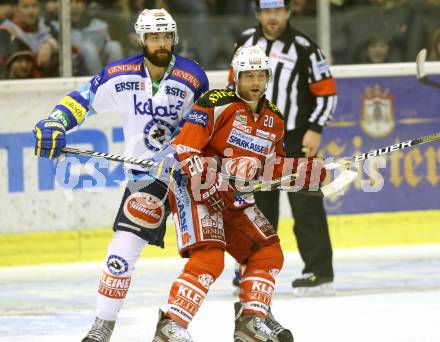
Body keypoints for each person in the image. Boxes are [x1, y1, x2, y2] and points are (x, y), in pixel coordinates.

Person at [33, 8, 209, 342]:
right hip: (147, 178)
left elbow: (207, 123)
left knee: (211, 251)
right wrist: (56, 121)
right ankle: (102, 326)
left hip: (189, 175)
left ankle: (181, 322)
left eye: (166, 36)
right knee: (122, 251)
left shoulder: (194, 76)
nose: (161, 43)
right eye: (154, 37)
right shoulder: (120, 73)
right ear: (141, 39)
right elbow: (82, 99)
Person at [152, 45, 325, 342]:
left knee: (268, 251)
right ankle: (171, 324)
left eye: (261, 75)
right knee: (210, 257)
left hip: (235, 196)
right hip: (194, 190)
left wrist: (308, 171)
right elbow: (185, 147)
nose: (255, 82)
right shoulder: (215, 103)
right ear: (236, 76)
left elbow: (272, 165)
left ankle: (250, 319)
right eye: (248, 75)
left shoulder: (275, 118)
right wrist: (206, 184)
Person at [230, 0, 338, 296]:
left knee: (307, 206)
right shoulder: (246, 43)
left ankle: (319, 270)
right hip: (258, 139)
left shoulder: (305, 47)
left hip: (296, 138)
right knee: (256, 209)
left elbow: (327, 93)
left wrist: (315, 129)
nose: (272, 16)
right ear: (258, 14)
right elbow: (232, 89)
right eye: (266, 11)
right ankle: (253, 267)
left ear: (288, 13)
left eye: (277, 10)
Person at [1, 0, 58, 76]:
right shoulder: (6, 31)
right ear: (16, 9)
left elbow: (62, 42)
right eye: (26, 7)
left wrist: (50, 45)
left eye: (34, 6)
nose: (31, 12)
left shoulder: (45, 25)